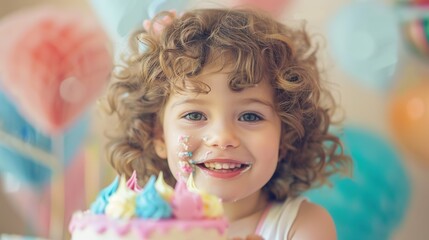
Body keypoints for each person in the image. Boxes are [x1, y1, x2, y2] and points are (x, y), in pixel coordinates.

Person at [103, 7, 351, 240]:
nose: (222, 137)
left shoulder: (302, 225)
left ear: (284, 135)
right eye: (195, 115)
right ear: (158, 135)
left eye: (250, 116)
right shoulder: (140, 228)